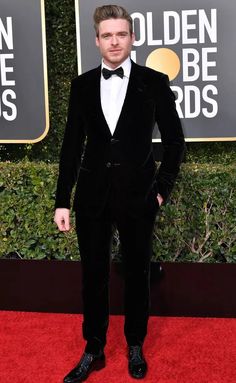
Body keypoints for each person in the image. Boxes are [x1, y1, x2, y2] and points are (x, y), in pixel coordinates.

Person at [54, 4, 185, 382]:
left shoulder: (154, 82)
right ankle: (93, 348)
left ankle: (135, 345)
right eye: (107, 35)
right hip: (92, 197)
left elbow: (175, 142)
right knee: (92, 275)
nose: (115, 41)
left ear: (132, 38)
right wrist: (63, 199)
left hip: (138, 196)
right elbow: (70, 146)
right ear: (96, 41)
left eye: (121, 34)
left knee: (137, 273)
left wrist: (160, 190)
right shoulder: (81, 86)